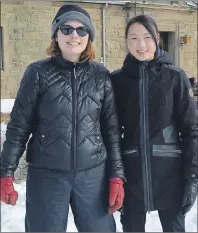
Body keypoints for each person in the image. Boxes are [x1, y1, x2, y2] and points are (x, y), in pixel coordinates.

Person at [0, 4, 125, 232]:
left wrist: (116, 176)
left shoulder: (101, 76)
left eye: (81, 30)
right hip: (47, 175)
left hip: (92, 176)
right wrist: (6, 173)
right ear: (55, 35)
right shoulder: (37, 73)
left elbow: (111, 131)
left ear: (89, 37)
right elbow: (19, 126)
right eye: (66, 29)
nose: (74, 35)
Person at [111, 15, 198, 232]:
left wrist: (192, 177)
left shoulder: (175, 77)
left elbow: (191, 129)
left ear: (157, 37)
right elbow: (109, 131)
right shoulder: (117, 81)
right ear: (126, 41)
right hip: (131, 176)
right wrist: (113, 174)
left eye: (147, 37)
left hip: (170, 175)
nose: (141, 45)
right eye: (134, 38)